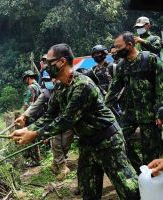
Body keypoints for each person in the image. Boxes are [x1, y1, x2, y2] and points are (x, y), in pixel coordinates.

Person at [12, 43, 140, 200]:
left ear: (62, 62)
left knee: (130, 190)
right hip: (87, 144)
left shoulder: (82, 85)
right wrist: (27, 128)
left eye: (49, 62)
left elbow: (67, 119)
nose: (46, 66)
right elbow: (50, 114)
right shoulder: (60, 87)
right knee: (88, 191)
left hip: (108, 142)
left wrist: (35, 134)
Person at [105, 31, 163, 173]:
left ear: (130, 45)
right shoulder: (121, 66)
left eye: (119, 47)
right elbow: (113, 90)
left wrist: (160, 111)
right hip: (129, 114)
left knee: (151, 152)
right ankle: (139, 170)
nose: (116, 50)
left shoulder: (150, 59)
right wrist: (101, 109)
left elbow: (161, 87)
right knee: (117, 140)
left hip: (150, 114)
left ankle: (152, 181)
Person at [16, 70, 74, 180]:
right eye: (47, 80)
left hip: (68, 121)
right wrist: (24, 116)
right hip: (54, 120)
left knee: (65, 144)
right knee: (56, 143)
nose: (50, 81)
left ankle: (56, 163)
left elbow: (30, 103)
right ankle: (62, 167)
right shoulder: (45, 91)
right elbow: (37, 104)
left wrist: (34, 130)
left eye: (52, 79)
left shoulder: (66, 88)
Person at [21, 70, 42, 167]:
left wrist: (23, 116)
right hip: (38, 115)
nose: (25, 81)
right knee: (35, 136)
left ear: (28, 78)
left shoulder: (30, 87)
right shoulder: (38, 86)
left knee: (30, 137)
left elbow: (28, 104)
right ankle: (37, 158)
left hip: (31, 116)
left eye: (25, 79)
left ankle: (35, 160)